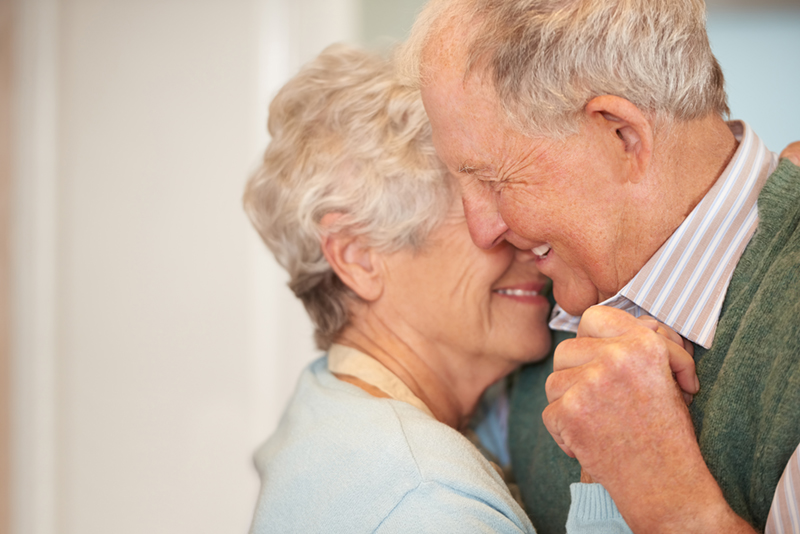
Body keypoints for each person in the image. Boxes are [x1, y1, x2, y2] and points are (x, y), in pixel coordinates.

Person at [243, 44, 697, 533]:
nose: (525, 238)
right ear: (358, 256)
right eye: (476, 209)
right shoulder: (426, 503)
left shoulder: (328, 406)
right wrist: (611, 489)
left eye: (506, 193)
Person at [398, 0, 800, 532]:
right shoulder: (532, 311)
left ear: (622, 136)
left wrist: (670, 501)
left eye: (495, 181)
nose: (482, 232)